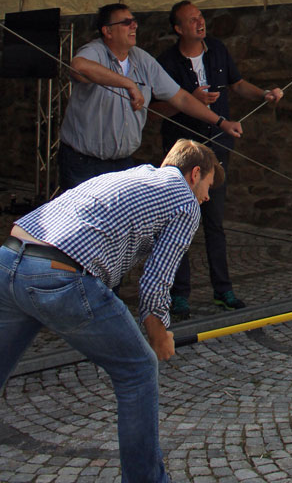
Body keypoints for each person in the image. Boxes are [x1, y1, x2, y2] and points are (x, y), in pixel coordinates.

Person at [0, 138, 224, 483]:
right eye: (208, 186)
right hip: (60, 274)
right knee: (139, 369)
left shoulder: (133, 175)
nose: (207, 197)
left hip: (9, 258)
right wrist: (159, 334)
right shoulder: (184, 199)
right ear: (195, 174)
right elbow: (157, 279)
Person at [156, 0, 283, 318]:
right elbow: (155, 109)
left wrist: (263, 94)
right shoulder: (166, 61)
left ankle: (223, 290)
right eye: (192, 20)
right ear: (178, 29)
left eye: (200, 17)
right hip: (182, 151)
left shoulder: (217, 49)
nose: (200, 23)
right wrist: (189, 100)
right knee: (180, 221)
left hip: (217, 147)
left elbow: (237, 84)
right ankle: (179, 294)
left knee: (214, 221)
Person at [59, 2, 243, 190]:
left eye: (134, 21)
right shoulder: (95, 51)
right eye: (126, 22)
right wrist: (128, 83)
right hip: (83, 163)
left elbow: (181, 98)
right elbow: (78, 66)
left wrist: (221, 122)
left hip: (122, 163)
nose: (134, 26)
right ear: (108, 31)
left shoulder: (143, 59)